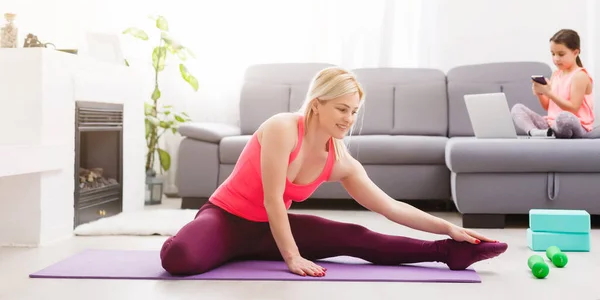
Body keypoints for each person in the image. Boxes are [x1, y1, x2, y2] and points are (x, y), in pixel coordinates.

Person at [160, 67, 508, 277]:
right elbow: (271, 199)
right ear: (317, 105)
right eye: (342, 108)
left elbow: (390, 207)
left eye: (354, 111)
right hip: (226, 217)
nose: (349, 119)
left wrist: (451, 228)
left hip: (267, 230)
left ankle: (447, 252)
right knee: (179, 258)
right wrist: (292, 257)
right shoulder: (282, 128)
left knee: (354, 235)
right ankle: (209, 240)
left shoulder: (339, 161)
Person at [511, 29, 595, 139]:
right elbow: (548, 107)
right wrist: (541, 93)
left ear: (575, 52)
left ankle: (552, 132)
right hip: (552, 125)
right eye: (553, 54)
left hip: (575, 125)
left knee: (564, 118)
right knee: (518, 109)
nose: (556, 59)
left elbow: (573, 108)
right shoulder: (556, 74)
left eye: (561, 54)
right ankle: (535, 132)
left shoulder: (579, 76)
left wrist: (549, 93)